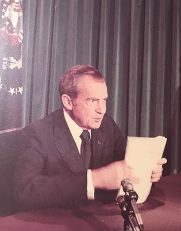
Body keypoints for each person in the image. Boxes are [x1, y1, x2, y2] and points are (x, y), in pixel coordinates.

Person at [13, 65, 167, 210]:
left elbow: (126, 165)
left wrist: (147, 171)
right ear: (68, 102)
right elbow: (24, 191)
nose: (102, 110)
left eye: (104, 100)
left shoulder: (107, 125)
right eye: (93, 101)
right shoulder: (37, 134)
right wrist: (93, 179)